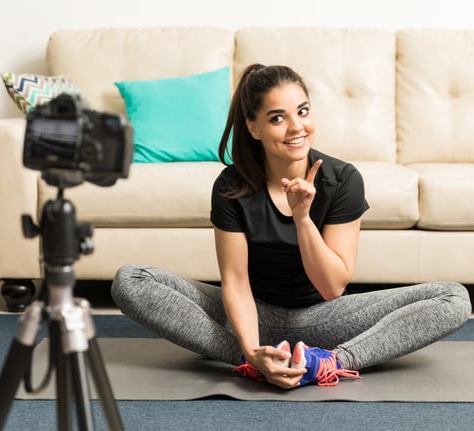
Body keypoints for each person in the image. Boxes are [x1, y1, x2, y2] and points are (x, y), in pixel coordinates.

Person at [111, 64, 472, 390]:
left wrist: (303, 219)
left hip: (325, 320)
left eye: (302, 111)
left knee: (454, 298)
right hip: (249, 315)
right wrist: (251, 348)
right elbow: (235, 280)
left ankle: (327, 363)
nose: (297, 127)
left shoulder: (343, 180)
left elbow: (332, 287)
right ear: (253, 127)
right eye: (277, 118)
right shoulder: (231, 185)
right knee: (131, 279)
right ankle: (254, 360)